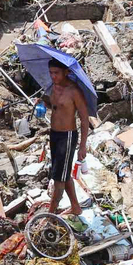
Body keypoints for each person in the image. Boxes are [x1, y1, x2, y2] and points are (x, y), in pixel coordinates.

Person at [41, 59, 91, 215]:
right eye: (51, 73)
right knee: (63, 172)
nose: (53, 76)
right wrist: (43, 103)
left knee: (59, 178)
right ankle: (76, 207)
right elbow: (55, 107)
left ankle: (50, 214)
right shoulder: (53, 87)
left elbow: (84, 119)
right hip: (54, 134)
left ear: (66, 72)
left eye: (56, 73)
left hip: (67, 136)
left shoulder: (74, 91)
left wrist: (82, 146)